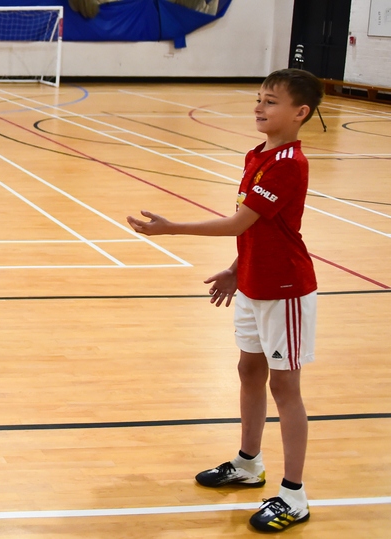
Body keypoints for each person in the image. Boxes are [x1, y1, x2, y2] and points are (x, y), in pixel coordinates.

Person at [127, 68, 323, 533]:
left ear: (300, 113)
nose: (260, 107)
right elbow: (256, 228)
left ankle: (294, 495)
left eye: (271, 101)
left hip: (285, 291)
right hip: (254, 283)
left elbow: (238, 223)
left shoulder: (288, 164)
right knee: (248, 371)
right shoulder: (258, 154)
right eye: (259, 98)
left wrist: (171, 228)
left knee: (284, 388)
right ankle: (248, 463)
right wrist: (236, 271)